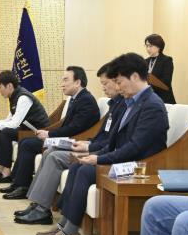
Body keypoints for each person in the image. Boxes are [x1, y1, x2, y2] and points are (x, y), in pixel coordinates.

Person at [39, 53, 169, 235]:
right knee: (77, 166)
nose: (118, 87)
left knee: (85, 171)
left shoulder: (152, 106)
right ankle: (64, 225)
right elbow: (114, 142)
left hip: (140, 167)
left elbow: (135, 147)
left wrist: (99, 159)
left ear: (134, 76)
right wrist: (94, 155)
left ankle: (70, 232)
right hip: (124, 159)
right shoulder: (130, 102)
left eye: (119, 82)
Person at [16, 64, 124, 224]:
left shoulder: (90, 101)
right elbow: (101, 134)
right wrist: (88, 143)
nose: (103, 88)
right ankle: (37, 204)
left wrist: (88, 146)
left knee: (53, 156)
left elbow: (79, 128)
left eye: (106, 83)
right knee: (49, 151)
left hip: (99, 151)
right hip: (89, 144)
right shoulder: (113, 105)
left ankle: (42, 210)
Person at [1, 66, 100, 200]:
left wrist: (49, 134)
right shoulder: (76, 99)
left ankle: (22, 186)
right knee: (25, 142)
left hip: (75, 141)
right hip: (67, 138)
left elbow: (75, 128)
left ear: (77, 82)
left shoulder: (86, 100)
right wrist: (47, 132)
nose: (62, 84)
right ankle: (18, 183)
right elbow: (67, 125)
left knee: (28, 144)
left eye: (65, 80)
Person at [0, 70, 50, 184]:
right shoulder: (14, 96)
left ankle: (6, 172)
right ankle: (0, 168)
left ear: (9, 86)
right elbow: (9, 119)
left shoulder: (23, 98)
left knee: (5, 132)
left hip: (37, 132)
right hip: (26, 129)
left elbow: (14, 124)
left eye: (0, 87)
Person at [145, 33, 175, 104]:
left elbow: (166, 81)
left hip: (163, 98)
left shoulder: (166, 60)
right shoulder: (145, 61)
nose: (148, 49)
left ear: (158, 46)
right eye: (146, 46)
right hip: (149, 98)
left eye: (150, 46)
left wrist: (150, 81)